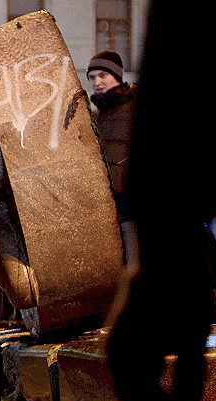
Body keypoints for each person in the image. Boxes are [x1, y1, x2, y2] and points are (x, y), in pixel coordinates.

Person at [87, 50, 137, 256]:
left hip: (130, 214)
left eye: (102, 75)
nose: (97, 82)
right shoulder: (94, 117)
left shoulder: (134, 109)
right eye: (92, 77)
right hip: (104, 215)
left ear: (117, 76)